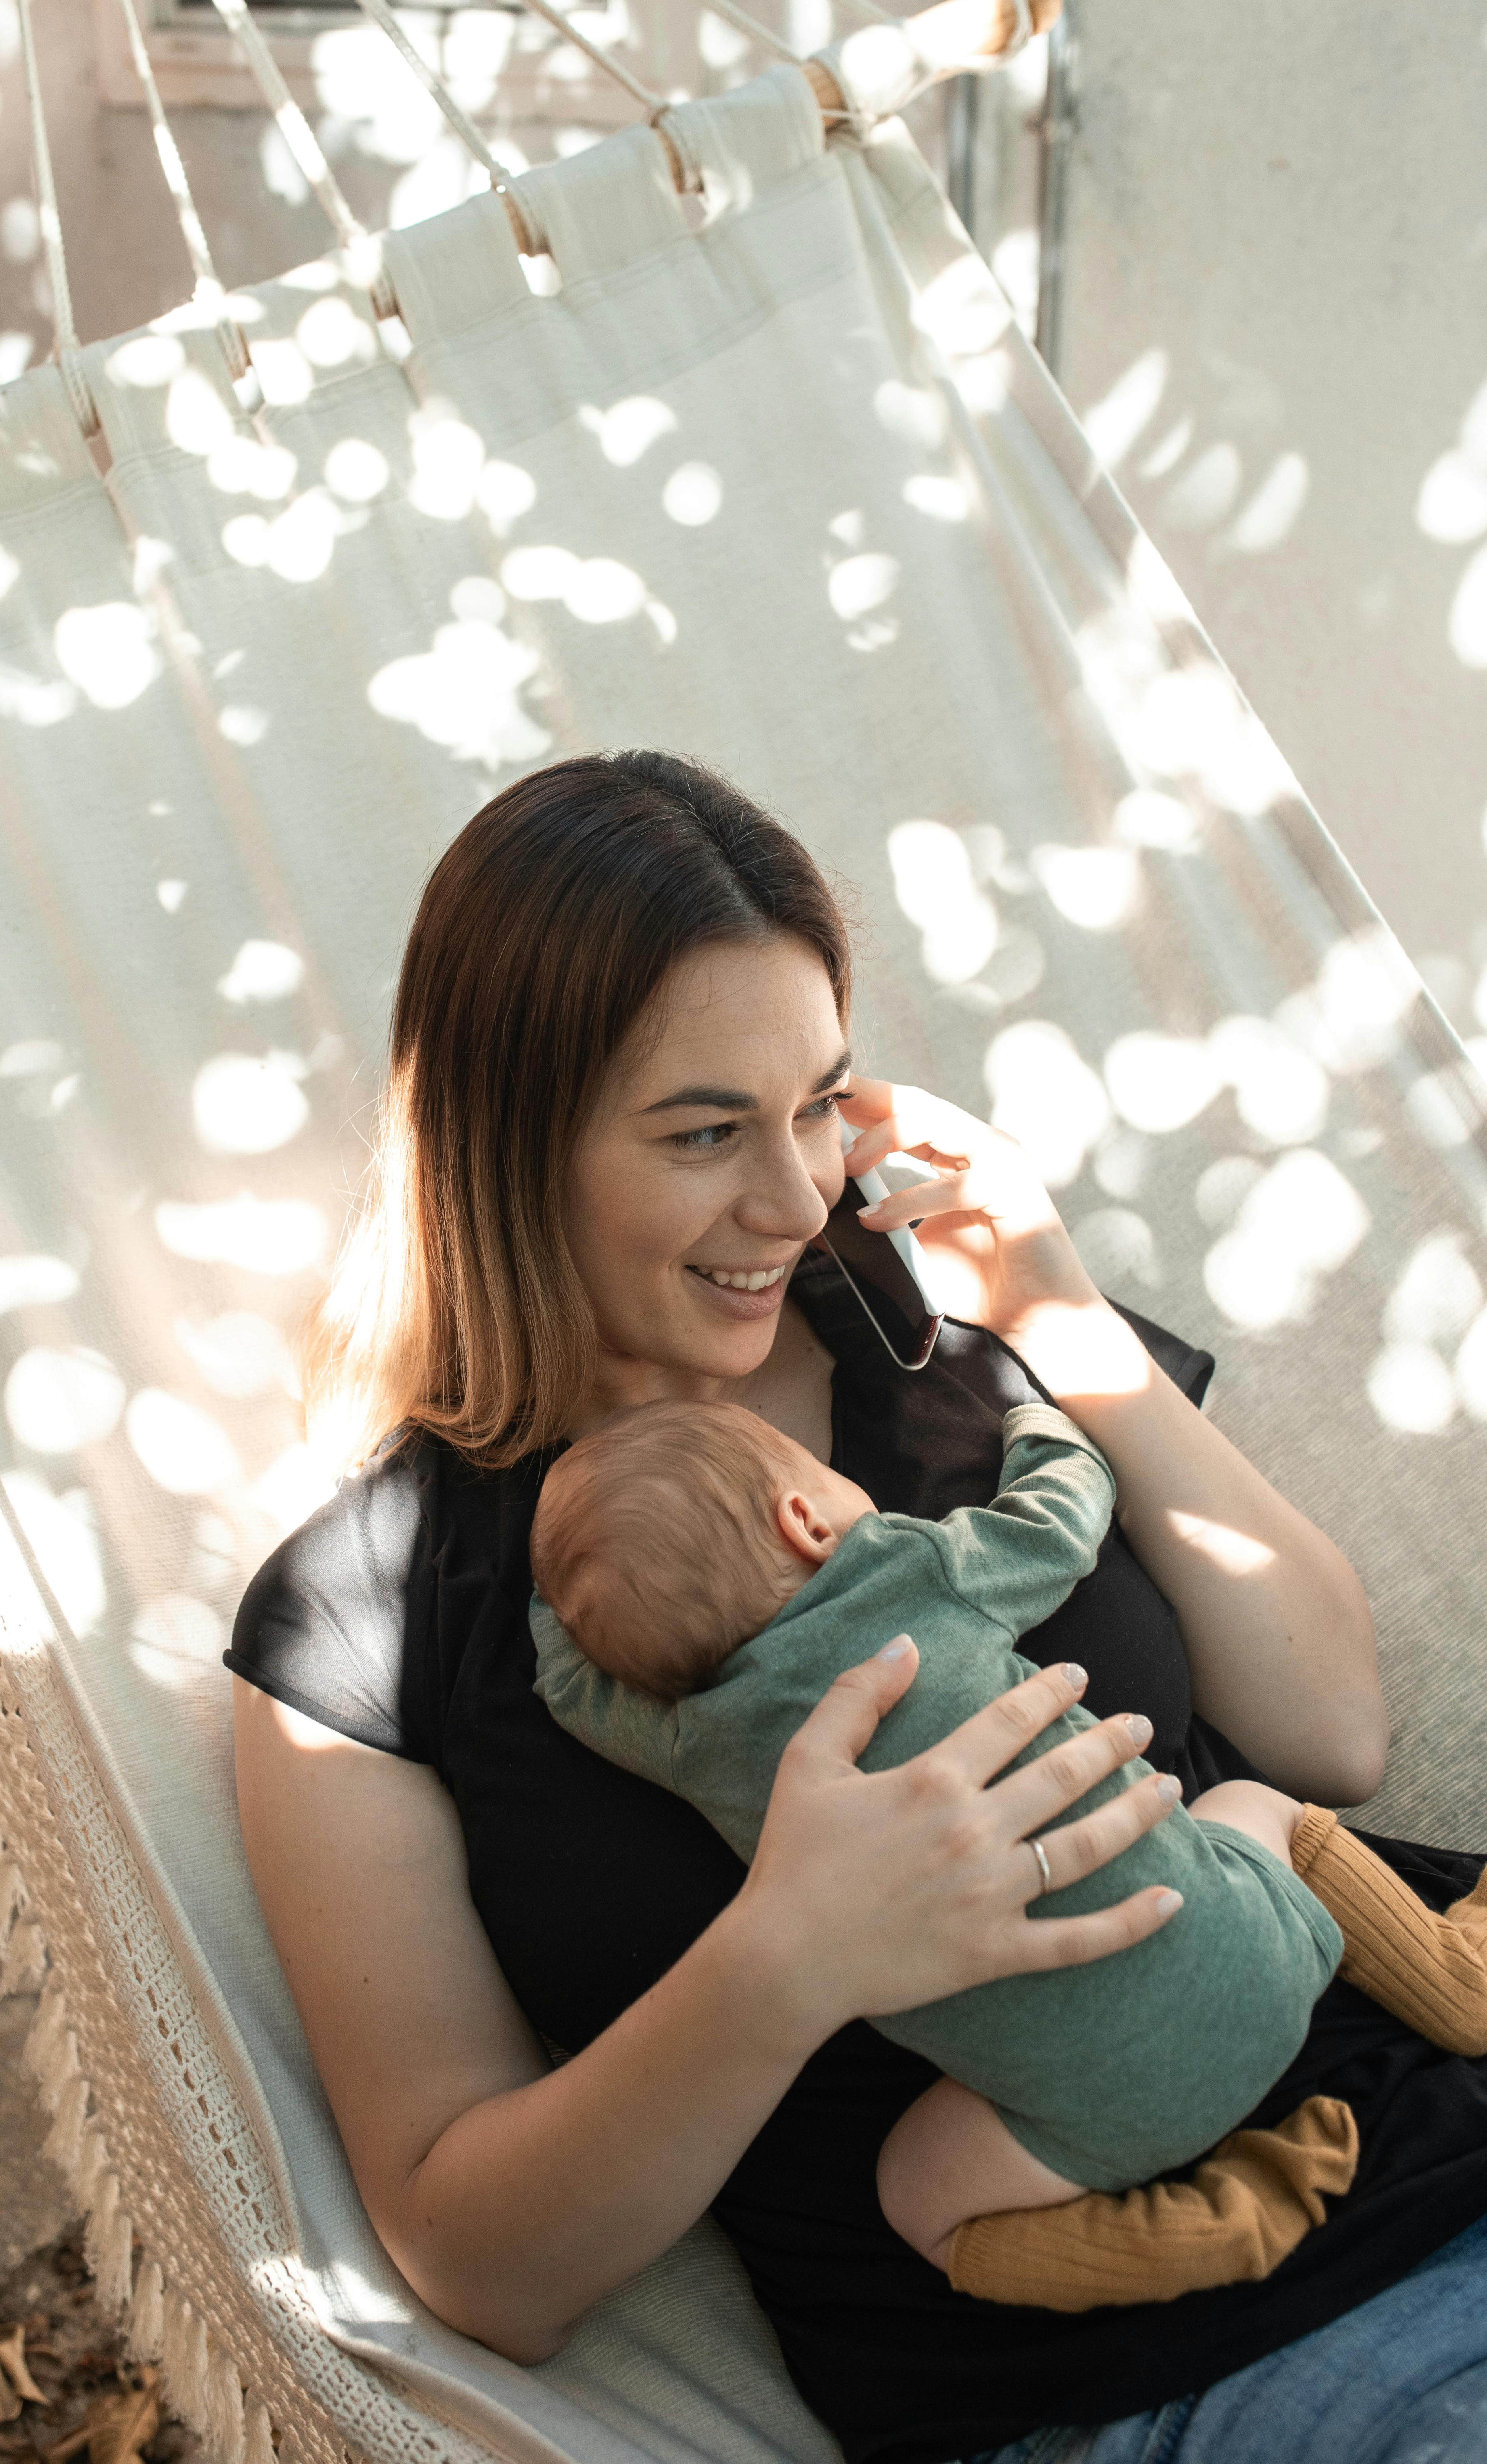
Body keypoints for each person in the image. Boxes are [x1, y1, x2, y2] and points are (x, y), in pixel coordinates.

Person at [227, 750, 1487, 2464]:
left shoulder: (948, 1346)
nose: (796, 1194)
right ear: (506, 1150)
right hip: (1148, 2367)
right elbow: (480, 2266)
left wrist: (1054, 1307)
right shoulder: (371, 1616)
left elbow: (1330, 1733)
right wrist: (789, 1955)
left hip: (1423, 2092)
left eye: (819, 1103)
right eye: (703, 1132)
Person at [528, 1394, 1487, 2306]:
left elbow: (568, 1689)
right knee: (1250, 1804)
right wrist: (1041, 1428)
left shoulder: (693, 1740)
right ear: (804, 1520)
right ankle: (1454, 1978)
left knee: (920, 2201)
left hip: (1100, 2120)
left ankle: (1215, 2230)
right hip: (1261, 1958)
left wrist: (574, 1596)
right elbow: (1060, 1522)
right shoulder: (909, 1573)